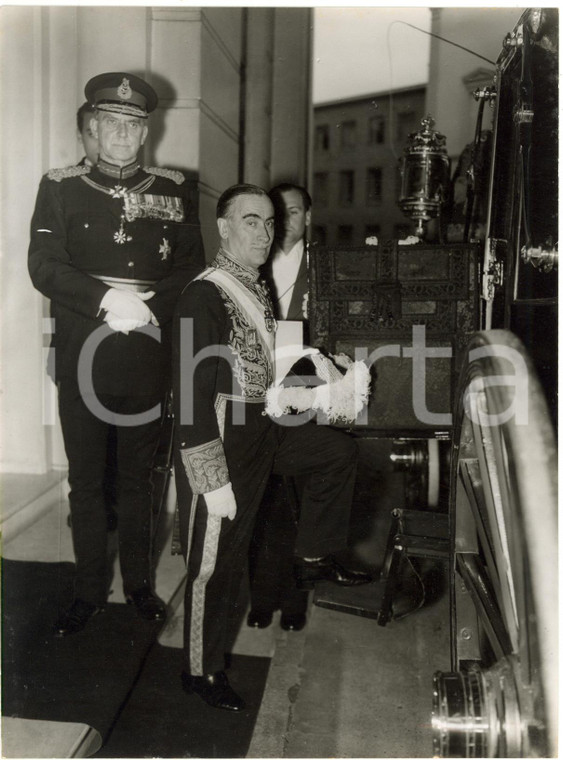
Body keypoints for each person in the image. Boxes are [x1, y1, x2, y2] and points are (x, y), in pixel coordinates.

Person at [172, 183, 371, 712]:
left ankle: (311, 555)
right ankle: (201, 669)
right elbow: (190, 394)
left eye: (267, 223)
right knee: (214, 565)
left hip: (262, 426)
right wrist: (209, 479)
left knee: (335, 453)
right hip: (221, 435)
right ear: (224, 228)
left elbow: (268, 368)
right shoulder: (205, 293)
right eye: (250, 221)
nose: (263, 233)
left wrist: (320, 381)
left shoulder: (255, 285)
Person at [28, 72, 205, 637]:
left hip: (147, 349)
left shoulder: (176, 188)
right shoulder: (60, 186)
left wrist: (150, 308)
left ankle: (138, 586)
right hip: (83, 344)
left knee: (139, 479)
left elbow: (188, 268)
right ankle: (86, 591)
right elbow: (44, 265)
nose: (124, 133)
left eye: (134, 124)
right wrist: (107, 299)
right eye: (112, 123)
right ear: (91, 130)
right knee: (85, 479)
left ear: (145, 131)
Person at [247, 183, 313, 632]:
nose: (285, 221)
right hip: (259, 387)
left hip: (308, 386)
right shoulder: (253, 262)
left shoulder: (325, 265)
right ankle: (260, 597)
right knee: (261, 496)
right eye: (278, 214)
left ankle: (294, 600)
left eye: (293, 212)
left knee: (301, 497)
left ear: (308, 216)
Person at [76, 101, 99, 166]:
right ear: (80, 136)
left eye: (106, 134)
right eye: (92, 134)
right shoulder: (69, 176)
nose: (101, 143)